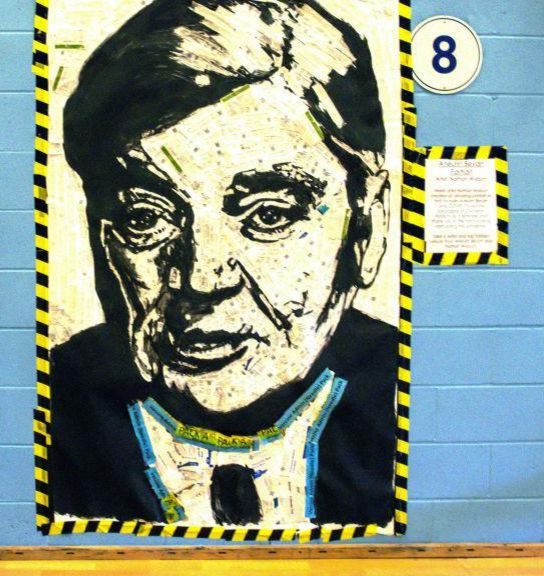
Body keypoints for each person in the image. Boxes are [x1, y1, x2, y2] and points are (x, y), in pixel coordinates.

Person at [50, 0, 398, 529]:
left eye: (270, 214)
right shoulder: (65, 412)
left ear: (367, 229)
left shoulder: (400, 399)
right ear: (102, 240)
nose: (202, 278)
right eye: (145, 218)